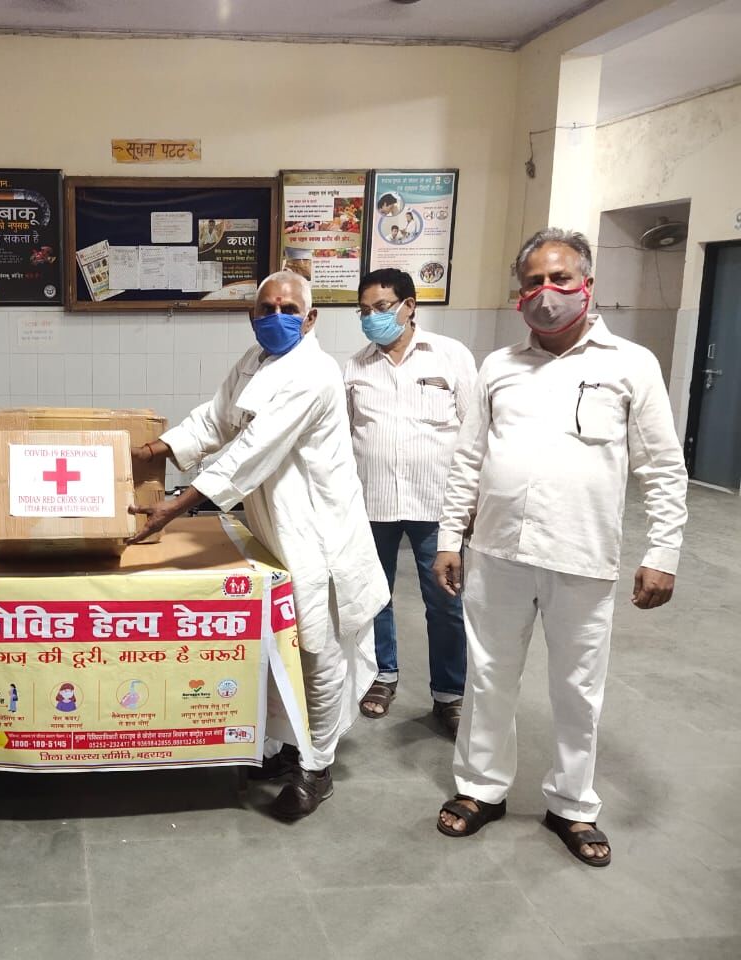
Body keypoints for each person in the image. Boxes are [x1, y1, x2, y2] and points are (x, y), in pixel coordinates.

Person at [432, 228, 688, 867]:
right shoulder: (498, 367)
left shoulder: (630, 364)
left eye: (560, 279)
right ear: (518, 293)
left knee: (578, 687)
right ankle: (481, 788)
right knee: (488, 676)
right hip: (497, 553)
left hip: (583, 555)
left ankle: (572, 803)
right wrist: (449, 538)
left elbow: (662, 466)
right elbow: (467, 459)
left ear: (587, 285)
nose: (546, 293)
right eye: (533, 282)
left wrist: (663, 552)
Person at [129, 270, 388, 822]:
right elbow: (216, 419)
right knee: (280, 647)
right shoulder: (254, 360)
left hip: (318, 536)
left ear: (310, 318)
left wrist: (174, 507)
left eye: (289, 309)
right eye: (266, 308)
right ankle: (287, 747)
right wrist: (150, 450)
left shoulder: (315, 374)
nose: (276, 317)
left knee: (318, 651)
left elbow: (250, 450)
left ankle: (316, 768)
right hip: (273, 531)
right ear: (252, 316)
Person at [345, 268, 476, 736]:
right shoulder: (355, 367)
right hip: (372, 503)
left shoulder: (451, 356)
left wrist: (473, 502)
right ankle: (382, 675)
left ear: (409, 305)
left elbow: (475, 433)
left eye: (382, 307)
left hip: (436, 505)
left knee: (445, 601)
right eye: (364, 311)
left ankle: (449, 693)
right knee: (374, 597)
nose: (373, 318)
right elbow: (342, 436)